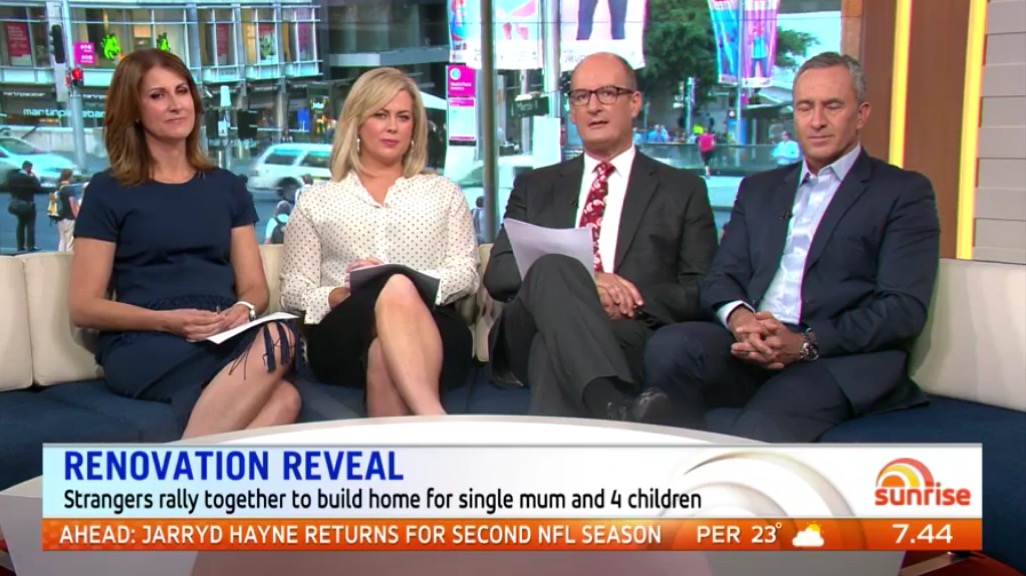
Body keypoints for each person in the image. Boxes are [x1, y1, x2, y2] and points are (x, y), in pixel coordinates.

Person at [644, 52, 941, 442]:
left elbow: (902, 309)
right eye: (805, 107)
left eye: (832, 106)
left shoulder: (902, 192)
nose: (816, 120)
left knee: (762, 426)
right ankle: (679, 472)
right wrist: (741, 320)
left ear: (861, 114)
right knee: (670, 347)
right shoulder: (759, 189)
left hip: (835, 357)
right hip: (755, 341)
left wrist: (804, 343)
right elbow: (721, 276)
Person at [68, 48, 300, 439]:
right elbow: (83, 306)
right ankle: (184, 468)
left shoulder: (227, 186)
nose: (176, 105)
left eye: (181, 91)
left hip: (221, 332)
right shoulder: (109, 191)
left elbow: (254, 289)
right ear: (134, 110)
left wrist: (242, 310)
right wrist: (167, 321)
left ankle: (184, 469)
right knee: (280, 377)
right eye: (157, 95)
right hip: (146, 338)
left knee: (286, 390)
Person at [483, 52, 718, 422]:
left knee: (552, 347)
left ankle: (605, 406)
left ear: (634, 102)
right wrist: (586, 283)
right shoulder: (535, 186)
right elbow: (499, 273)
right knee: (554, 267)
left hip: (627, 330)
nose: (593, 106)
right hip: (526, 328)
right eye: (581, 96)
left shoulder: (682, 190)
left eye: (607, 93)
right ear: (572, 110)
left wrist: (631, 302)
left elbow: (700, 286)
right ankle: (615, 407)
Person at [280, 67, 479, 417]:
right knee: (393, 290)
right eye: (380, 115)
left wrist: (411, 283)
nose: (392, 127)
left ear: (414, 127)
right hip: (345, 330)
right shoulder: (316, 200)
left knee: (386, 339)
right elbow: (293, 291)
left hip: (433, 325)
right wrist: (337, 294)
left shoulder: (444, 193)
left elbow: (466, 273)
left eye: (403, 117)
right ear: (357, 123)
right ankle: (437, 422)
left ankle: (422, 430)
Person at [6, 161, 41, 252]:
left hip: (17, 204)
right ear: (28, 168)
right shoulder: (29, 178)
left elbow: (7, 187)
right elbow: (38, 188)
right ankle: (30, 245)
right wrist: (34, 177)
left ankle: (20, 245)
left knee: (21, 224)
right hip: (28, 204)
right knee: (30, 225)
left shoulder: (13, 177)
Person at [52, 168, 80, 252]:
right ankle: (67, 259)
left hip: (59, 216)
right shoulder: (70, 189)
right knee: (70, 241)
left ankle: (60, 256)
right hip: (69, 217)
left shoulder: (57, 187)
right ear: (70, 177)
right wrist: (77, 217)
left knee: (62, 239)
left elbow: (52, 200)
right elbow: (72, 204)